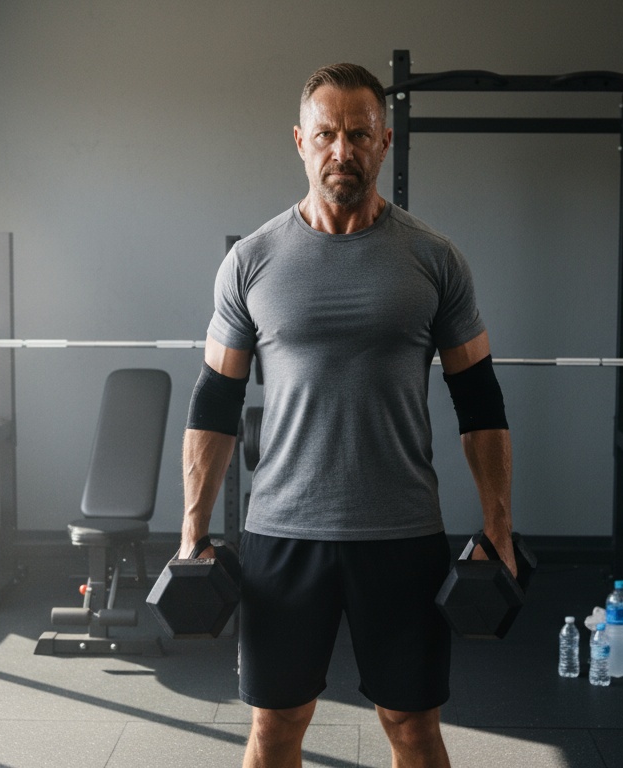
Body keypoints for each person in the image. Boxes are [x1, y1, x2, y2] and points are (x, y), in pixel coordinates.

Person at [180, 62, 515, 768]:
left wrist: (499, 529)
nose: (343, 150)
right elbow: (215, 403)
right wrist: (192, 533)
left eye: (358, 134)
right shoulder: (252, 262)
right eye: (327, 134)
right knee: (275, 727)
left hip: (401, 531)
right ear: (300, 141)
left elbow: (479, 399)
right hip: (282, 533)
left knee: (412, 726)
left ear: (384, 141)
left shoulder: (434, 259)